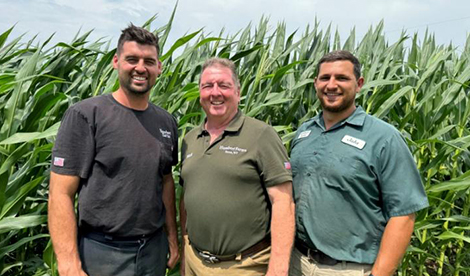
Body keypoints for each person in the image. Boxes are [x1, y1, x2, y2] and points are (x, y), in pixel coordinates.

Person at [48, 25, 179, 276]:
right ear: (116, 62)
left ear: (159, 68)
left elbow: (165, 181)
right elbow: (60, 193)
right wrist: (68, 264)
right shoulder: (86, 115)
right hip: (101, 251)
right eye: (132, 59)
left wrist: (171, 238)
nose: (141, 68)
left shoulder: (166, 122)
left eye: (149, 61)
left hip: (152, 250)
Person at [289, 50, 429, 276]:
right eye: (325, 78)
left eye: (342, 78)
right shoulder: (304, 132)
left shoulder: (383, 138)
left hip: (350, 269)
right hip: (297, 262)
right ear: (315, 83)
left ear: (359, 84)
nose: (331, 85)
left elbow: (403, 214)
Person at [179, 58, 295, 276]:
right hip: (195, 261)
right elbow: (186, 200)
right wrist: (186, 255)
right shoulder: (190, 139)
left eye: (223, 85)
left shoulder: (261, 135)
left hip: (244, 267)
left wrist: (278, 269)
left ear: (238, 92)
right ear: (200, 93)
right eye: (208, 86)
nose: (215, 93)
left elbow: (283, 201)